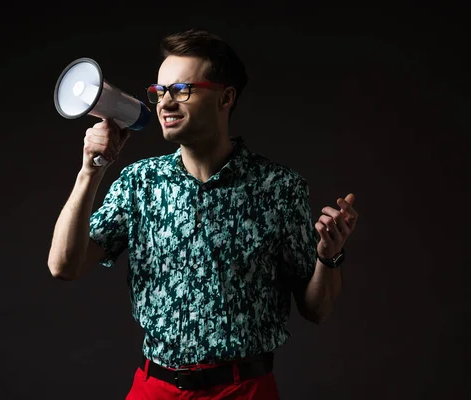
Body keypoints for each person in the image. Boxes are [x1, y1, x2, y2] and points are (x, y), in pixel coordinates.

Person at [47, 29, 358, 400]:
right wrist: (90, 172)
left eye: (182, 90)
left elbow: (317, 310)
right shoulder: (139, 182)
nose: (165, 103)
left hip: (245, 390)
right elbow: (63, 266)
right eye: (160, 92)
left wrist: (329, 257)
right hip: (156, 389)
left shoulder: (279, 187)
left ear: (226, 97)